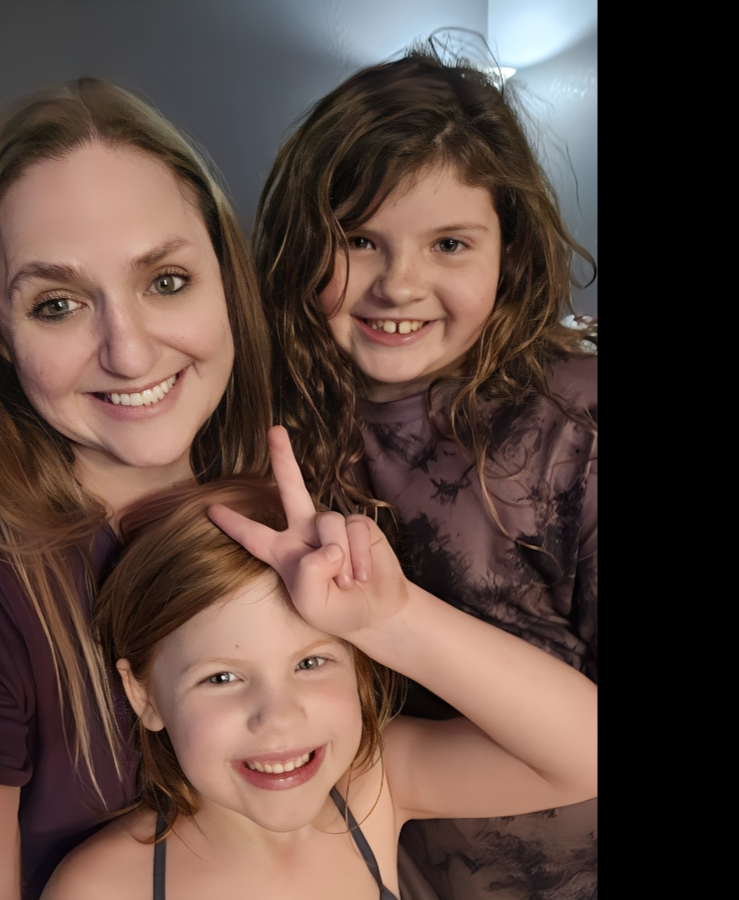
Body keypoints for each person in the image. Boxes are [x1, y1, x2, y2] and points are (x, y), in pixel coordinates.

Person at [252, 38, 599, 900]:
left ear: (509, 252)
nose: (399, 285)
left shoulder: (577, 427)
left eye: (449, 243)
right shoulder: (271, 424)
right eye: (359, 240)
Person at [0, 78, 273, 900]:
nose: (129, 351)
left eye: (166, 281)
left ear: (226, 280)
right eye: (57, 304)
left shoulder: (287, 509)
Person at [43, 428, 597, 899]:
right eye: (221, 677)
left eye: (310, 663)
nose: (279, 717)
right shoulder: (103, 886)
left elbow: (585, 752)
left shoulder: (375, 786)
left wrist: (395, 620)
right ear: (143, 695)